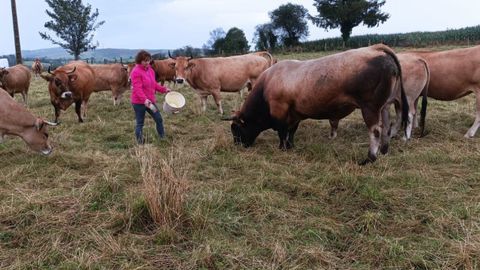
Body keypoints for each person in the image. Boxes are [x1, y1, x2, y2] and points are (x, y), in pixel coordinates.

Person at [130, 50, 170, 144]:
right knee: (140, 123)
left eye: (148, 60)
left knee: (159, 119)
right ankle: (140, 143)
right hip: (139, 103)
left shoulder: (150, 70)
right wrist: (144, 100)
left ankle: (162, 138)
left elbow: (154, 84)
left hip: (150, 102)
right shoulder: (135, 72)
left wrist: (164, 89)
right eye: (145, 61)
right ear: (139, 61)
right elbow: (137, 88)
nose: (147, 62)